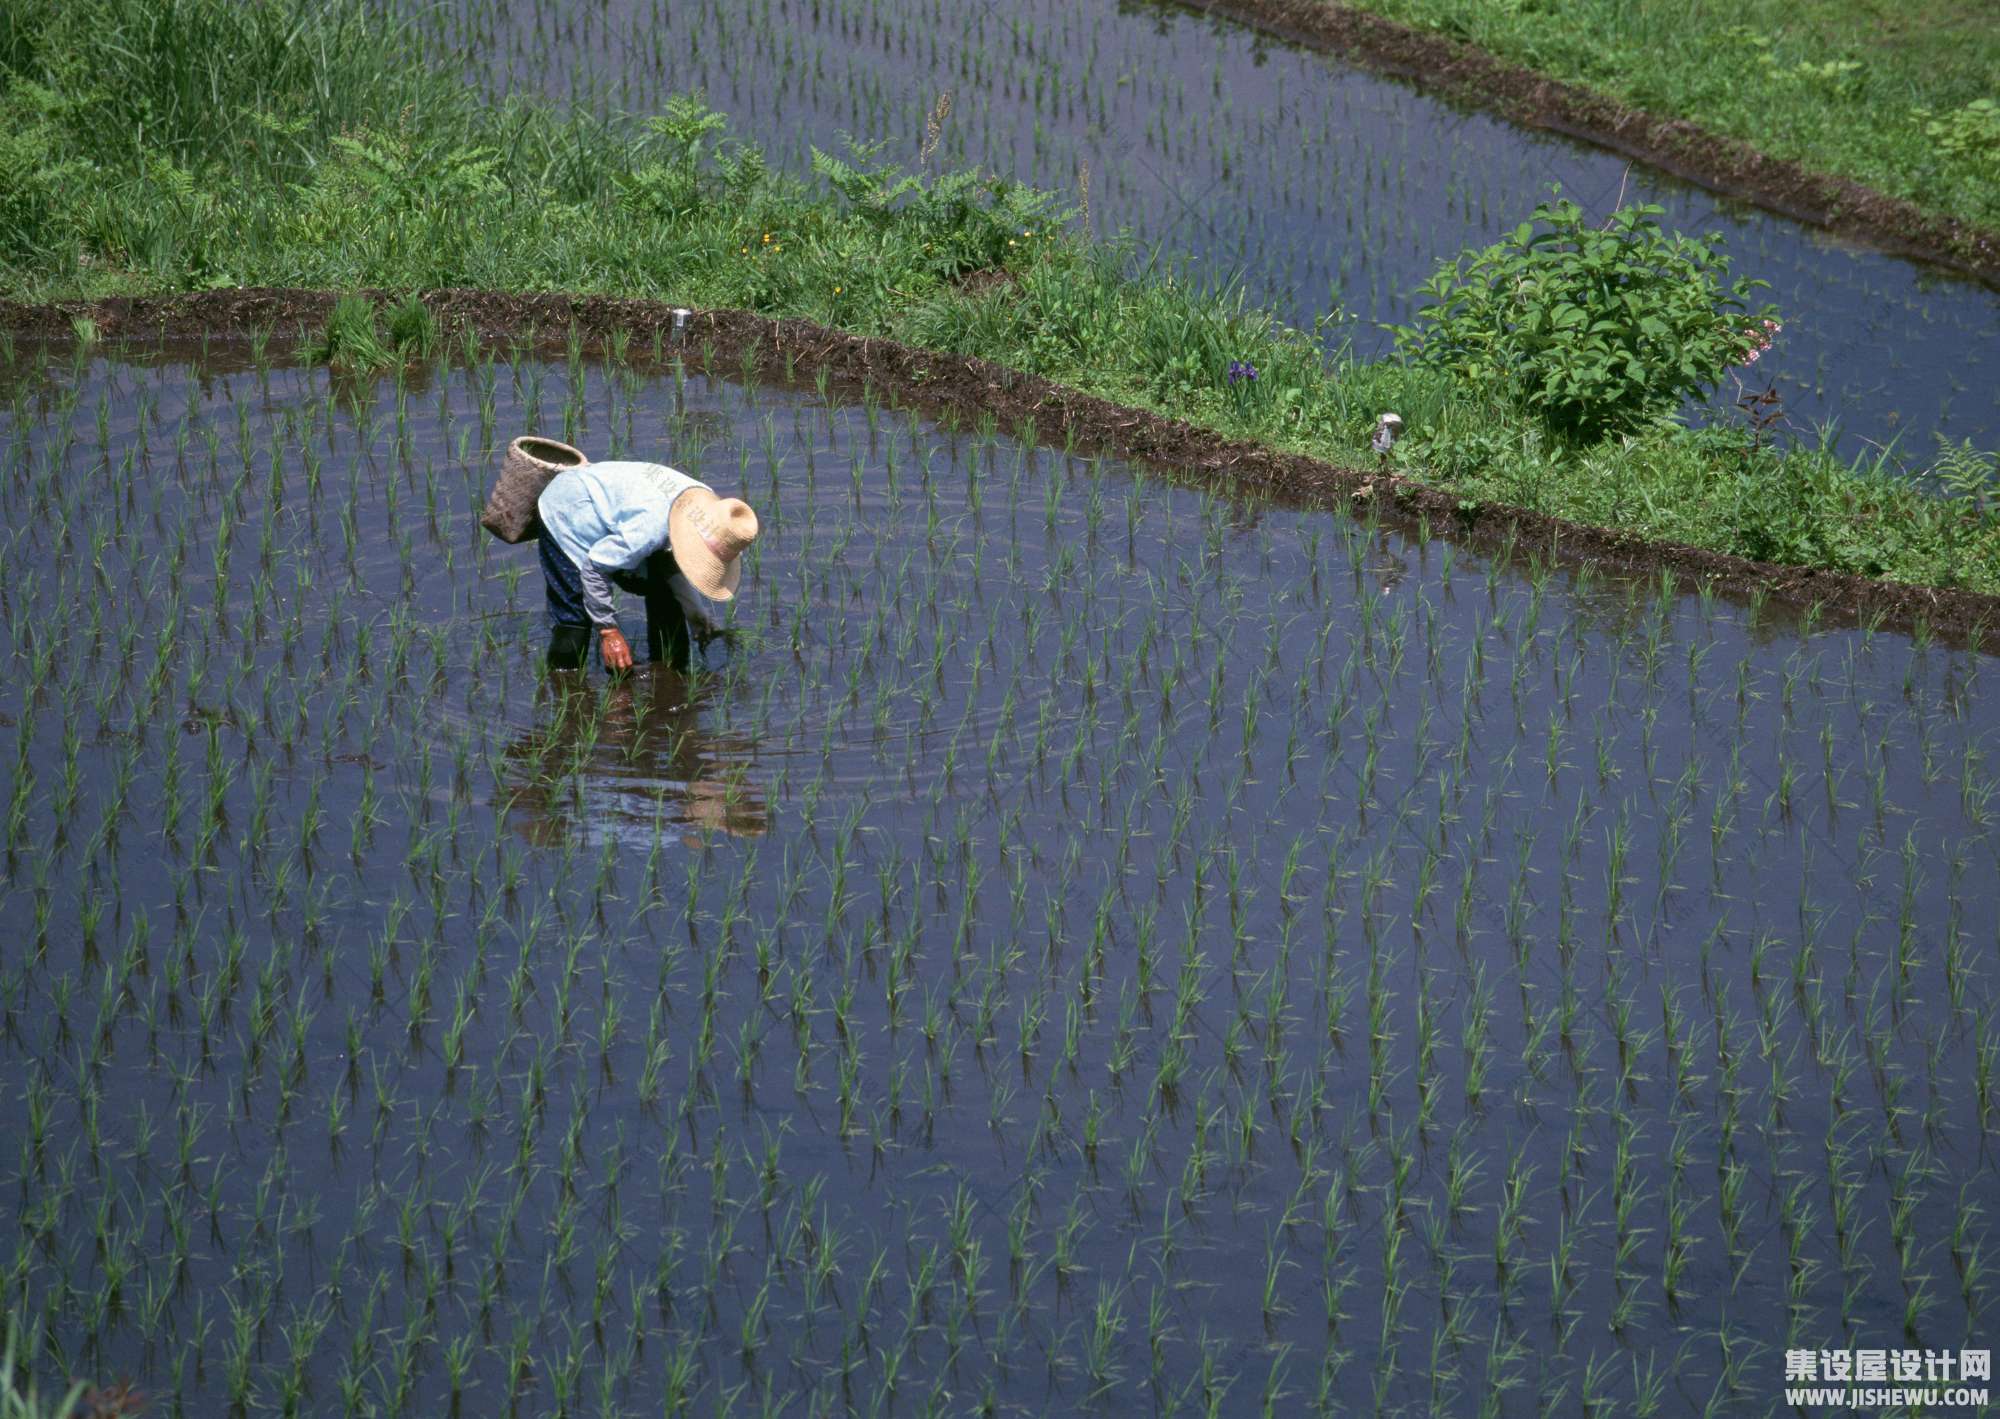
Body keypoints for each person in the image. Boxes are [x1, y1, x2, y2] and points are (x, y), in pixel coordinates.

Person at [536, 459, 759, 672]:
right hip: (566, 508)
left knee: (663, 590)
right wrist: (608, 631)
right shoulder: (649, 529)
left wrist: (696, 613)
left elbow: (672, 561)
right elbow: (595, 568)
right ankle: (565, 682)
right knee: (575, 615)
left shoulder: (708, 510)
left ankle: (668, 673)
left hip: (621, 512)